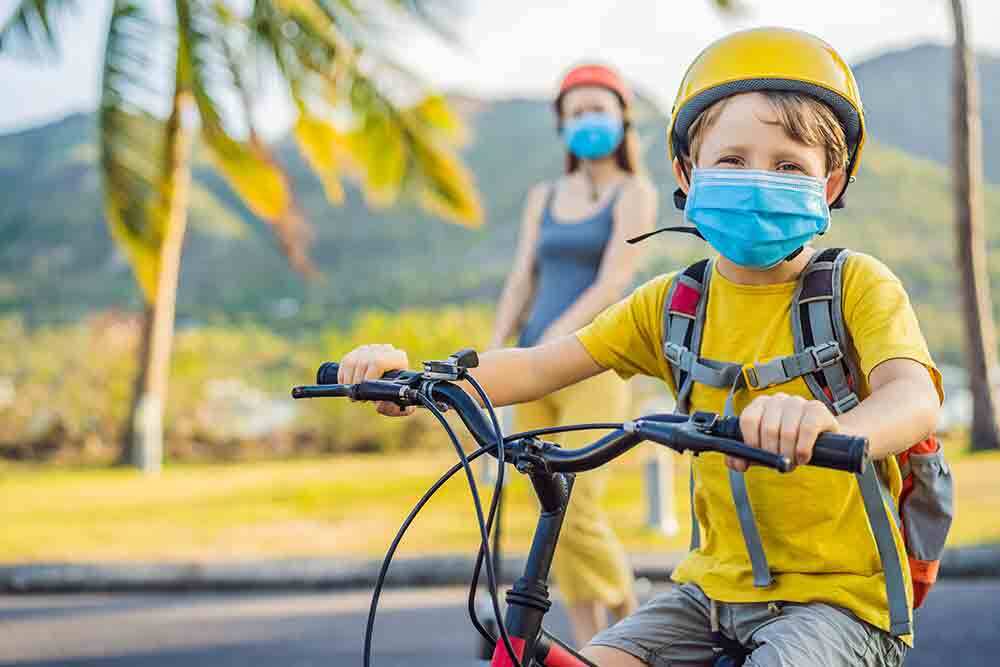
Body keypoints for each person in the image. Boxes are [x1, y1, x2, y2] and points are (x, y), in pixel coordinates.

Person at [338, 28, 943, 666]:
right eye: (731, 160)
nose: (757, 179)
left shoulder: (856, 286)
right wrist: (416, 378)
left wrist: (830, 422)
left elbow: (912, 398)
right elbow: (542, 364)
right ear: (687, 172)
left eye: (789, 164)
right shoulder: (674, 304)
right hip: (706, 593)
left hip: (841, 602)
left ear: (830, 183)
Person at [487, 63, 657, 645]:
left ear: (622, 118)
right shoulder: (544, 195)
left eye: (597, 109)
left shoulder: (635, 193)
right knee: (548, 509)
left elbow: (615, 281)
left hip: (591, 359)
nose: (587, 120)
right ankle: (590, 646)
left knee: (581, 507)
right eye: (576, 111)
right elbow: (521, 279)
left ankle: (634, 623)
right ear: (561, 124)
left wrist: (555, 341)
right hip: (532, 364)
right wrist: (492, 353)